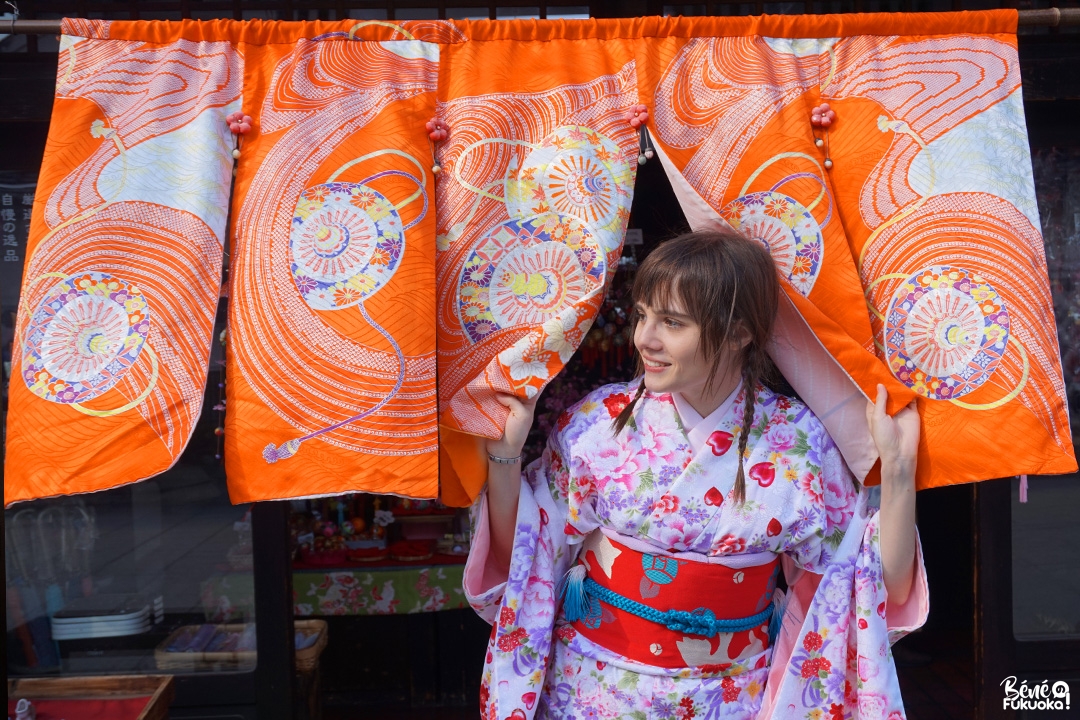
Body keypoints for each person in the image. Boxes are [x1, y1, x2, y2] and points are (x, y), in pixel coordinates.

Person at [465, 230, 927, 720]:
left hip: (732, 698)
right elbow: (525, 551)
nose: (645, 337)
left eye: (671, 322)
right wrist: (506, 458)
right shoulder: (597, 423)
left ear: (738, 332)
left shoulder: (800, 440)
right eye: (643, 315)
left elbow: (868, 590)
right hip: (594, 691)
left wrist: (898, 475)